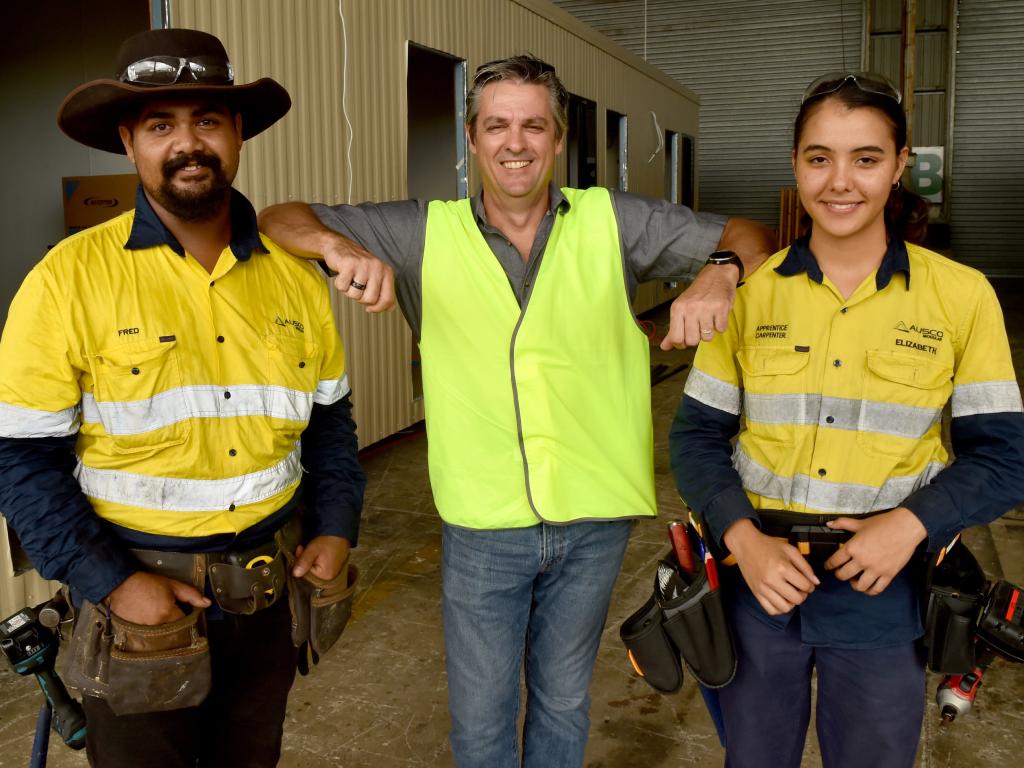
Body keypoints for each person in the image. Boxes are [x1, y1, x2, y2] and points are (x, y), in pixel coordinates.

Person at [259, 55, 775, 767]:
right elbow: (276, 218)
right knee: (482, 714)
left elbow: (749, 235)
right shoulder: (420, 233)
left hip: (595, 516)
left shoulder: (614, 221)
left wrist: (721, 273)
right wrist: (335, 246)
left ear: (558, 139)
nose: (516, 142)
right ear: (471, 139)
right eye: (497, 124)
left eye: (535, 125)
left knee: (564, 700)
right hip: (483, 522)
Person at [0, 28, 365, 768]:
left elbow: (329, 424)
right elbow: (20, 459)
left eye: (207, 120)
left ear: (237, 136)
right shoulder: (67, 279)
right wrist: (112, 583)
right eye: (162, 125)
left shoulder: (297, 280)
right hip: (138, 612)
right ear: (129, 143)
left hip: (269, 598)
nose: (188, 143)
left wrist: (336, 526)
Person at [669, 71, 1024, 768]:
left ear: (899, 166)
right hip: (759, 582)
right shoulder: (749, 294)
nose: (840, 182)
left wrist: (910, 526)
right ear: (795, 165)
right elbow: (696, 437)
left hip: (884, 593)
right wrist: (743, 536)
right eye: (819, 157)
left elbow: (1004, 455)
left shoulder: (961, 297)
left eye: (865, 158)